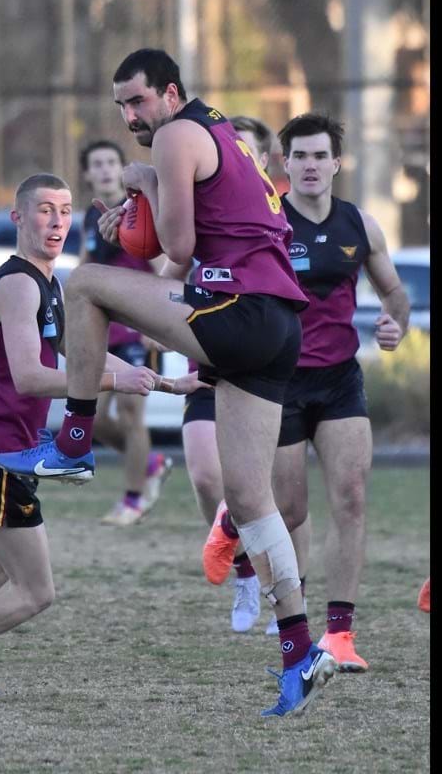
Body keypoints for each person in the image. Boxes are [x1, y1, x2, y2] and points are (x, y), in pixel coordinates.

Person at [0, 49, 333, 717]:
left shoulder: (179, 133)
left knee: (85, 283)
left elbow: (176, 248)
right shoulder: (223, 133)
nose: (129, 115)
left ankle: (73, 442)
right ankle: (301, 650)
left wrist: (143, 185)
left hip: (243, 309)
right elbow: (183, 240)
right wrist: (138, 216)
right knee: (248, 496)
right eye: (121, 104)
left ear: (170, 92)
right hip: (278, 324)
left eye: (138, 100)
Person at [0, 174, 199, 704]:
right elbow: (29, 376)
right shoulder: (19, 284)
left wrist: (165, 381)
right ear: (18, 218)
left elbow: (83, 355)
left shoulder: (47, 283)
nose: (57, 222)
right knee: (35, 592)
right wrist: (114, 381)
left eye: (66, 211)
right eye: (45, 210)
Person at [206, 114, 410, 666]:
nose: (311, 166)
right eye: (301, 156)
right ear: (283, 164)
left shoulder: (360, 226)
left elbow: (394, 292)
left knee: (351, 496)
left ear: (337, 163)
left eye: (321, 156)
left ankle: (339, 635)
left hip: (340, 379)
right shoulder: (266, 221)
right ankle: (234, 523)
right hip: (279, 379)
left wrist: (396, 324)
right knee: (289, 510)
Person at [180, 116, 276, 633]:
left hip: (261, 367)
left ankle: (283, 594)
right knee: (204, 476)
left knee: (255, 490)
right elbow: (172, 267)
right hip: (208, 364)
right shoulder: (205, 210)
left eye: (246, 149)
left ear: (261, 160)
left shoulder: (272, 223)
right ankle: (240, 569)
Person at [77, 140, 173, 526]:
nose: (103, 169)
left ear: (120, 169)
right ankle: (150, 462)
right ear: (86, 173)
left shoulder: (141, 212)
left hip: (140, 329)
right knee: (94, 418)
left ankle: (134, 499)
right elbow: (86, 267)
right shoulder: (89, 217)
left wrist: (161, 322)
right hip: (103, 331)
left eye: (110, 163)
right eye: (96, 163)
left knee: (132, 414)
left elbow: (168, 266)